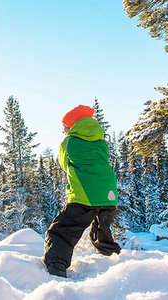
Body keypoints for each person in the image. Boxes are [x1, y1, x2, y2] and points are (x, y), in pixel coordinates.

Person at [43, 105, 121, 278]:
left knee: (61, 230)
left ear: (73, 126)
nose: (63, 130)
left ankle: (56, 266)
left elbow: (63, 163)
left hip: (85, 195)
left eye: (64, 126)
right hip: (109, 195)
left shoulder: (68, 142)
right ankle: (114, 262)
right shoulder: (100, 141)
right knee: (102, 232)